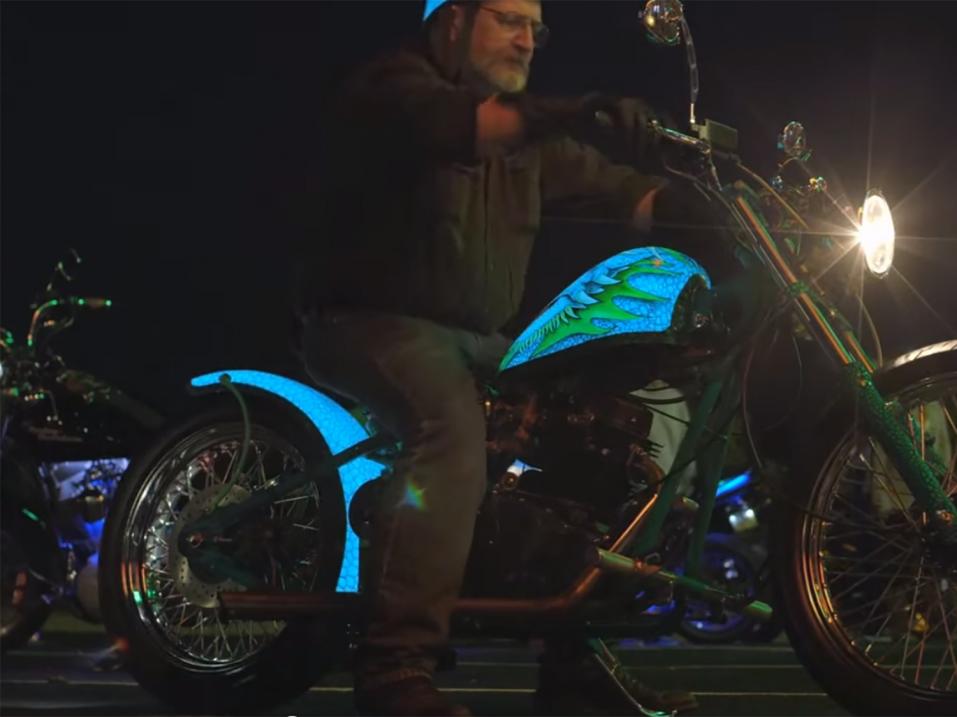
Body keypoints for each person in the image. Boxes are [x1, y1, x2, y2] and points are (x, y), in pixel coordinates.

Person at [294, 1, 709, 714]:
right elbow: (460, 126)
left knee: (607, 426)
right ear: (452, 19)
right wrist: (583, 109)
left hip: (483, 340)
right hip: (372, 321)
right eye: (509, 20)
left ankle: (572, 655)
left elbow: (620, 189)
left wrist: (692, 202)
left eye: (535, 28)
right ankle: (393, 663)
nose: (527, 41)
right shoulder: (392, 88)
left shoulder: (531, 144)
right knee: (447, 424)